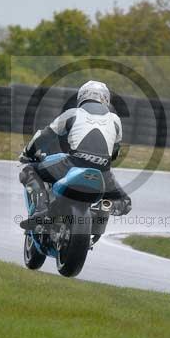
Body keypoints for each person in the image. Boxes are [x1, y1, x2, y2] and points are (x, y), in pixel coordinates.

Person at [18, 80, 132, 230]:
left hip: (72, 165)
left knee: (29, 170)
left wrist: (28, 152)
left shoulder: (73, 113)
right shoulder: (115, 120)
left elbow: (44, 136)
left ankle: (40, 211)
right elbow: (115, 152)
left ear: (81, 97)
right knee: (125, 202)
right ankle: (105, 207)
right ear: (106, 99)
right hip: (103, 172)